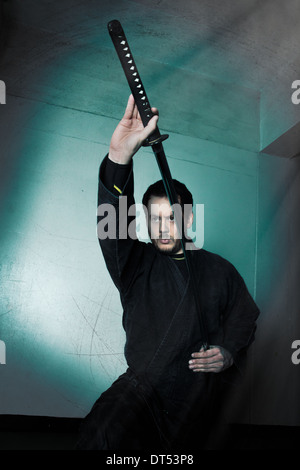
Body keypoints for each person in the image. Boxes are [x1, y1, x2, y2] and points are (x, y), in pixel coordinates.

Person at [76, 95, 260, 450]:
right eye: (154, 218)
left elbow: (244, 316)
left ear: (188, 218)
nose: (161, 227)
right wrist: (119, 158)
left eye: (171, 217)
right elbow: (113, 230)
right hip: (141, 390)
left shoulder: (220, 270)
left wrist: (228, 352)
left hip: (194, 401)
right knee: (100, 436)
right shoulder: (134, 263)